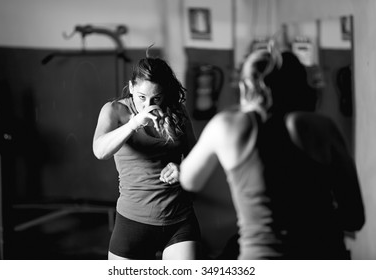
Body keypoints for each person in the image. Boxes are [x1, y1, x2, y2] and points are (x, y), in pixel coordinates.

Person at [180, 46, 365, 259]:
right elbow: (354, 218)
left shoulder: (227, 126)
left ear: (247, 85)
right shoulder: (322, 127)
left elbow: (189, 180)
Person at [93, 52, 200, 260]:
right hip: (133, 221)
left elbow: (195, 156)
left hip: (179, 219)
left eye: (156, 98)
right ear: (132, 87)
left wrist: (183, 170)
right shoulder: (115, 111)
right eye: (142, 97)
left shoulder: (177, 111)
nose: (148, 104)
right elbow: (100, 151)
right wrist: (134, 124)